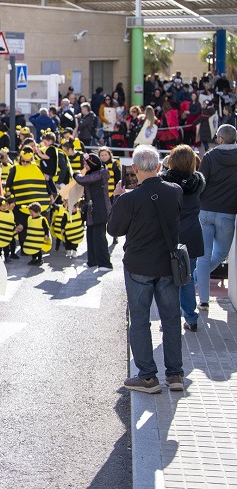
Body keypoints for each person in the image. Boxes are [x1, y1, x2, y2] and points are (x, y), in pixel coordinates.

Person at [108, 145, 184, 394]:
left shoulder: (130, 198)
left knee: (140, 320)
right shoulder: (175, 191)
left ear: (135, 169)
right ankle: (175, 375)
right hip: (167, 265)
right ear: (160, 167)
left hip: (138, 265)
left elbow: (114, 230)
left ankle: (148, 377)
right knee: (171, 319)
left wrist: (118, 198)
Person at [160, 145, 205, 332]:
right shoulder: (199, 181)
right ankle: (191, 318)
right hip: (192, 234)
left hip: (170, 235)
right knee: (186, 278)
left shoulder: (165, 182)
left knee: (168, 281)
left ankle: (169, 320)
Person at [196, 124, 237, 312]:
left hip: (205, 210)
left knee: (203, 256)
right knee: (221, 254)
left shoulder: (210, 156)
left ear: (220, 139)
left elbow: (201, 182)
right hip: (228, 212)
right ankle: (194, 278)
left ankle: (203, 299)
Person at [73, 153, 112, 271]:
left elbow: (83, 180)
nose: (85, 166)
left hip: (100, 208)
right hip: (92, 208)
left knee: (99, 236)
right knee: (90, 235)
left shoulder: (101, 173)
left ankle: (105, 264)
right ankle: (93, 261)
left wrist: (76, 174)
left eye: (86, 164)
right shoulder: (94, 172)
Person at [0, 196, 21, 263]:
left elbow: (11, 222)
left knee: (6, 247)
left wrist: (16, 227)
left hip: (6, 235)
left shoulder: (9, 213)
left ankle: (7, 256)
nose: (5, 207)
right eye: (3, 206)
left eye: (6, 206)